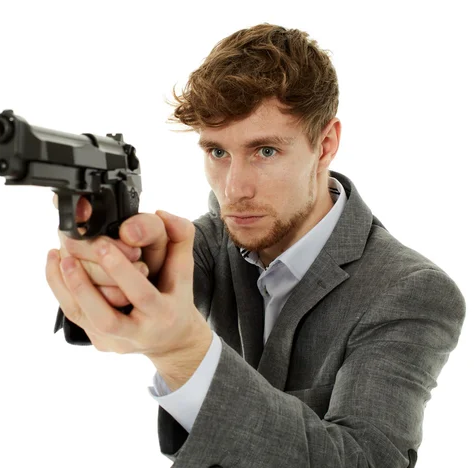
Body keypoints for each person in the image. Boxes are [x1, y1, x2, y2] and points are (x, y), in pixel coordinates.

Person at [46, 23, 466, 467]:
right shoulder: (213, 239)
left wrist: (183, 353)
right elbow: (132, 299)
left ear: (325, 145)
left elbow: (364, 461)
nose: (234, 189)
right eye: (217, 153)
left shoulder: (412, 292)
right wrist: (106, 262)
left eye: (265, 151)